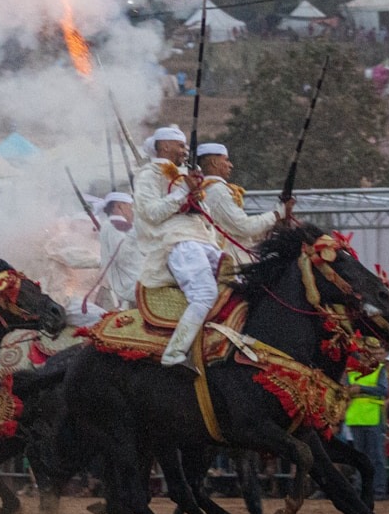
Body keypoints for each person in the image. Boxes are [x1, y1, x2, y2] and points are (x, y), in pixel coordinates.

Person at [133, 128, 210, 370]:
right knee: (204, 295)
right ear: (164, 146)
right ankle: (175, 353)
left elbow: (207, 216)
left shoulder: (183, 175)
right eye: (181, 146)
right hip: (178, 242)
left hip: (202, 239)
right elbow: (153, 213)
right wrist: (184, 191)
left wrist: (196, 194)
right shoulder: (148, 175)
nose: (185, 151)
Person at [195, 142, 290, 270]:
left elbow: (235, 230)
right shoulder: (218, 190)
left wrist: (273, 225)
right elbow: (245, 227)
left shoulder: (203, 188)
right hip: (233, 264)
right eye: (226, 160)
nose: (231, 165)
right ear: (214, 163)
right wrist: (278, 213)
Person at [344, 359, 389, 501]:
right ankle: (360, 489)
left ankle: (379, 490)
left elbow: (383, 389)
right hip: (356, 417)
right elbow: (344, 390)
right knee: (360, 457)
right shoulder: (350, 370)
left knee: (376, 456)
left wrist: (361, 389)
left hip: (372, 417)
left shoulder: (379, 369)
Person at [95, 191, 141, 311]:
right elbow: (122, 256)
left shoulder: (115, 226)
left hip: (133, 282)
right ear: (119, 206)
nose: (132, 211)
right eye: (130, 207)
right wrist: (135, 232)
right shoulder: (112, 226)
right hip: (130, 285)